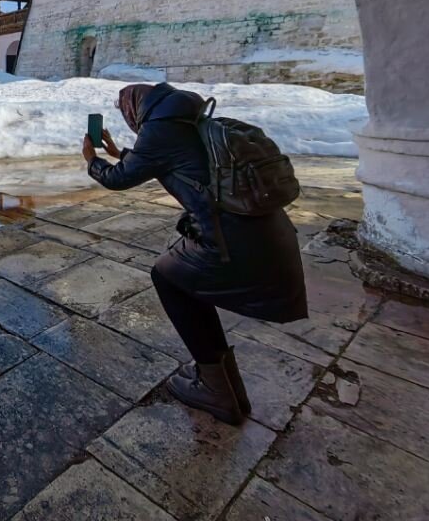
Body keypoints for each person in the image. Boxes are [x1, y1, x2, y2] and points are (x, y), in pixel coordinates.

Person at [81, 82, 307, 425]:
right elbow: (167, 159)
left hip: (233, 238)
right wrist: (120, 152)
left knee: (170, 279)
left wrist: (92, 160)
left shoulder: (160, 130)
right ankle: (222, 384)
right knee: (182, 282)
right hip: (256, 229)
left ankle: (217, 389)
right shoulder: (188, 116)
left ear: (135, 107)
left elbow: (118, 180)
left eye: (124, 109)